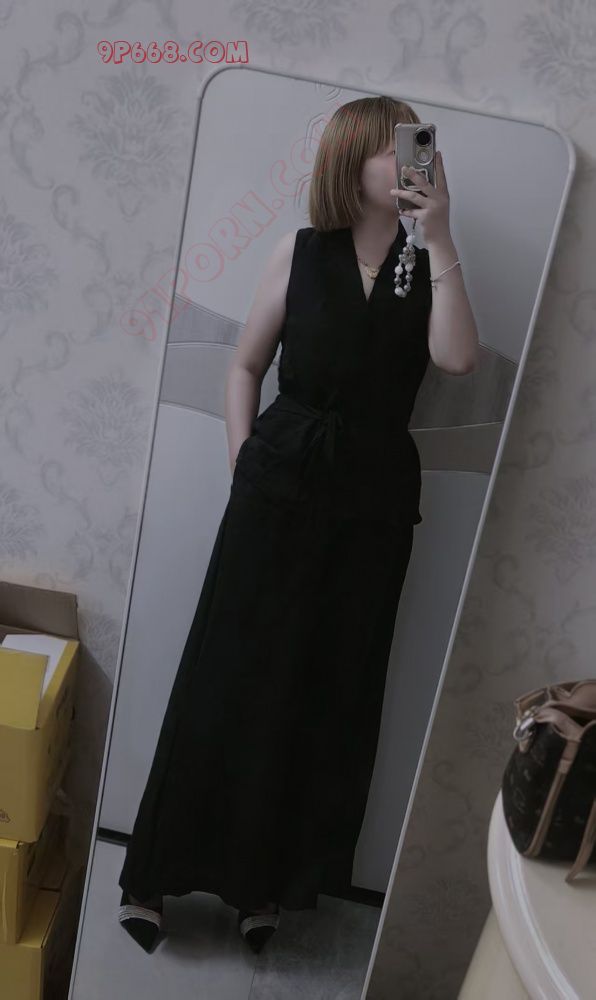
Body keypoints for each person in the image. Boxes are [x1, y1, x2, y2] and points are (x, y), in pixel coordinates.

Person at [117, 94, 478, 957]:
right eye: (394, 148)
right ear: (351, 158)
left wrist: (441, 237)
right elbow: (246, 365)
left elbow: (457, 358)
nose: (411, 161)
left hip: (372, 508)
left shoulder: (424, 263)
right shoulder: (301, 252)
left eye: (418, 148)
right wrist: (245, 462)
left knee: (326, 698)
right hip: (277, 487)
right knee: (225, 678)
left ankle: (266, 887)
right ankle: (152, 875)